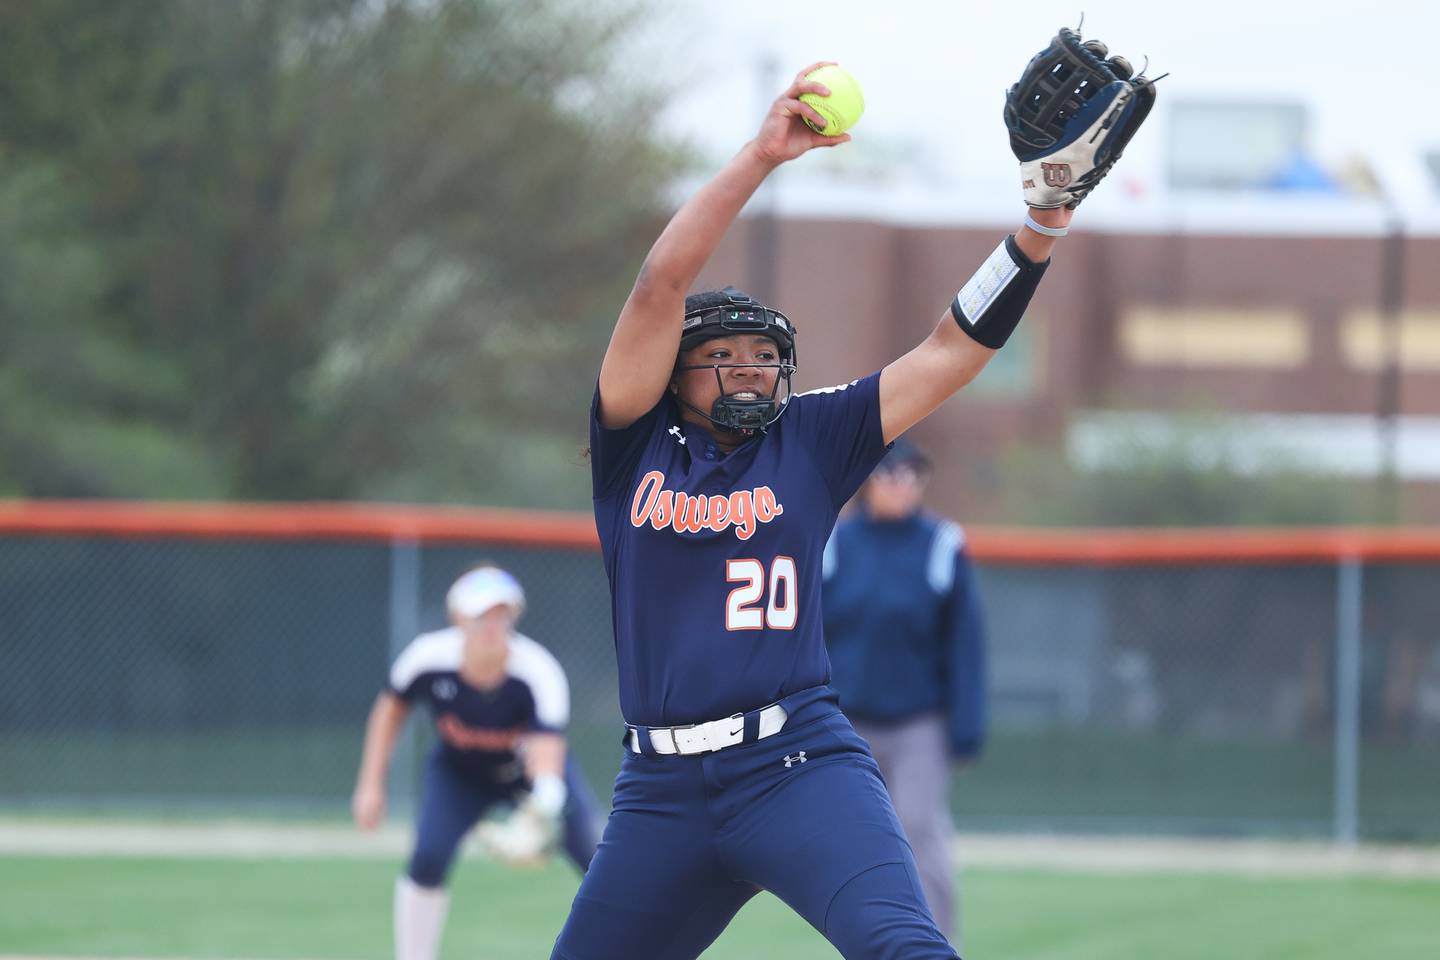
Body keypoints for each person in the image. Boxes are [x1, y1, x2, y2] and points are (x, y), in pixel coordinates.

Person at [553, 32, 1150, 960]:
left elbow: (951, 351)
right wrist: (761, 156)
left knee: (904, 949)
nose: (751, 370)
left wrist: (1042, 222)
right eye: (723, 356)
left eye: (764, 357)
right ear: (672, 373)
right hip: (659, 793)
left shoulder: (812, 437)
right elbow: (659, 284)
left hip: (795, 765)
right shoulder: (633, 444)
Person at [352, 564, 601, 960]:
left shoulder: (536, 670)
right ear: (457, 619)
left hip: (529, 776)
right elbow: (390, 710)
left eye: (502, 614)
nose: (493, 625)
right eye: (482, 615)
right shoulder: (428, 658)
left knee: (599, 860)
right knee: (428, 857)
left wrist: (544, 807)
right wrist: (370, 783)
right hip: (459, 773)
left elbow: (547, 751)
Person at [821, 437, 987, 943]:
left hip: (920, 720)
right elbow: (812, 634)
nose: (901, 484)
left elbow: (966, 643)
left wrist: (966, 727)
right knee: (856, 839)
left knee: (919, 828)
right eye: (891, 474)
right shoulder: (835, 542)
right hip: (850, 720)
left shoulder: (941, 544)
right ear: (868, 482)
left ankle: (937, 947)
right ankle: (872, 944)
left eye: (911, 475)